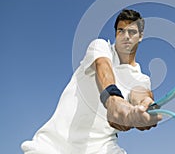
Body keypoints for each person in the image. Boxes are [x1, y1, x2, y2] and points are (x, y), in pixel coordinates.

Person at [21, 9, 162, 154]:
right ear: (115, 34)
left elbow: (140, 94)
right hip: (52, 147)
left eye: (132, 32)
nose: (126, 36)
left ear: (140, 36)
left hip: (103, 148)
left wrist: (142, 108)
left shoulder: (142, 78)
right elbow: (102, 66)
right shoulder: (100, 46)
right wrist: (113, 99)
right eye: (121, 30)